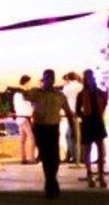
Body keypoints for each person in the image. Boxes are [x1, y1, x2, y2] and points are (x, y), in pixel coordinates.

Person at [26, 69, 75, 198]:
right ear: (43, 79)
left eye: (51, 77)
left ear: (53, 80)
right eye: (46, 77)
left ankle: (51, 184)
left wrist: (73, 128)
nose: (49, 80)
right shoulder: (36, 93)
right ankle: (52, 185)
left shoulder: (59, 95)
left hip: (53, 128)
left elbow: (68, 111)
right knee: (46, 157)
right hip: (40, 128)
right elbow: (26, 95)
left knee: (54, 158)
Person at [76, 68, 108, 187]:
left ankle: (101, 175)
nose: (90, 79)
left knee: (101, 149)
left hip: (97, 121)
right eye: (88, 77)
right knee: (87, 149)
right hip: (88, 122)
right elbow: (77, 110)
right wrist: (84, 117)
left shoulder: (98, 92)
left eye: (91, 77)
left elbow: (105, 100)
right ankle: (89, 175)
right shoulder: (81, 94)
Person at [14, 76, 37, 164]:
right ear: (26, 82)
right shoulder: (24, 93)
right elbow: (30, 105)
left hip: (19, 117)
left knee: (22, 140)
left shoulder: (16, 94)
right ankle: (32, 158)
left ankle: (23, 157)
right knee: (32, 138)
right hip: (25, 117)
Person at [62, 71, 83, 163]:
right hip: (80, 113)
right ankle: (75, 156)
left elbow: (63, 100)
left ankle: (75, 156)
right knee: (77, 135)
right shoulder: (81, 86)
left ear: (68, 78)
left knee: (70, 135)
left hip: (71, 113)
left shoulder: (67, 88)